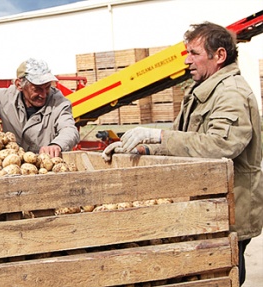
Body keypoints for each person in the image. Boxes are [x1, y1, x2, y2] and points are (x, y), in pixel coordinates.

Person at [102, 22, 263, 285]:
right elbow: (183, 142)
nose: (187, 61)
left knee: (224, 277)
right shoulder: (203, 90)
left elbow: (221, 145)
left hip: (230, 209)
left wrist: (157, 135)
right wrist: (142, 148)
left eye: (194, 53)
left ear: (219, 56)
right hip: (209, 207)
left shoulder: (230, 93)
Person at [0, 58, 80, 157]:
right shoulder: (6, 98)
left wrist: (56, 145)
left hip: (45, 173)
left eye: (47, 87)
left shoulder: (59, 103)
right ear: (19, 85)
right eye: (37, 89)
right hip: (12, 170)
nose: (43, 94)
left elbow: (69, 129)